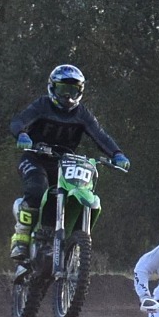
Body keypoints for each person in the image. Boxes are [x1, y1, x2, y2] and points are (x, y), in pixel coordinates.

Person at [8, 64, 130, 262]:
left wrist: (117, 153)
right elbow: (18, 121)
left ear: (80, 92)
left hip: (63, 164)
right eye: (63, 90)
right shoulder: (42, 105)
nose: (67, 96)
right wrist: (22, 134)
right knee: (38, 188)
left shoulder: (82, 113)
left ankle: (67, 242)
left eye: (72, 91)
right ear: (52, 88)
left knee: (75, 192)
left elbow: (100, 135)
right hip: (34, 158)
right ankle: (21, 239)